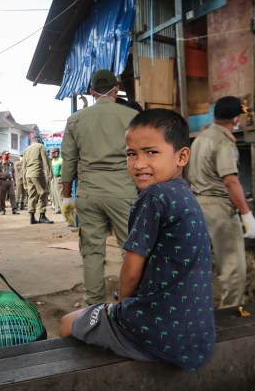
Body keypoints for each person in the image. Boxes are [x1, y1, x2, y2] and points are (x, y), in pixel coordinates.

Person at [60, 109, 215, 371]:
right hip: (197, 338)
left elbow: (132, 267)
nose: (139, 163)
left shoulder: (154, 196)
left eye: (151, 152)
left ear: (182, 156)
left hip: (155, 331)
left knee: (66, 323)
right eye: (132, 154)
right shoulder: (183, 193)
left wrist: (121, 305)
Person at [61, 69, 138, 305]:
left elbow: (69, 160)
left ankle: (92, 305)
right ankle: (131, 301)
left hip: (89, 193)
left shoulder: (75, 120)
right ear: (116, 90)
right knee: (132, 250)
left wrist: (67, 197)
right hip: (124, 191)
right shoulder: (132, 117)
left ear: (92, 92)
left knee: (92, 251)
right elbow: (141, 155)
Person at [185, 96, 255, 309]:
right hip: (218, 209)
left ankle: (197, 311)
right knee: (232, 266)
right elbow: (230, 180)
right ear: (236, 119)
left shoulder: (200, 138)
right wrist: (246, 214)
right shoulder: (223, 141)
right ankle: (231, 312)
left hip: (196, 205)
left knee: (200, 265)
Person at [21, 138, 53, 224]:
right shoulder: (40, 146)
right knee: (44, 192)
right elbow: (46, 161)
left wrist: (24, 179)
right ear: (40, 141)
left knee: (32, 195)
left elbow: (23, 166)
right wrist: (50, 174)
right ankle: (42, 215)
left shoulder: (26, 149)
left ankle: (32, 217)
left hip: (28, 174)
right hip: (37, 173)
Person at [49, 148, 63, 214]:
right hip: (54, 179)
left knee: (60, 194)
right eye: (52, 153)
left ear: (57, 153)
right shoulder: (52, 161)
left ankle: (63, 209)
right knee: (54, 194)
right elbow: (51, 170)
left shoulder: (61, 160)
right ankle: (57, 209)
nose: (52, 154)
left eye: (53, 152)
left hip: (59, 178)